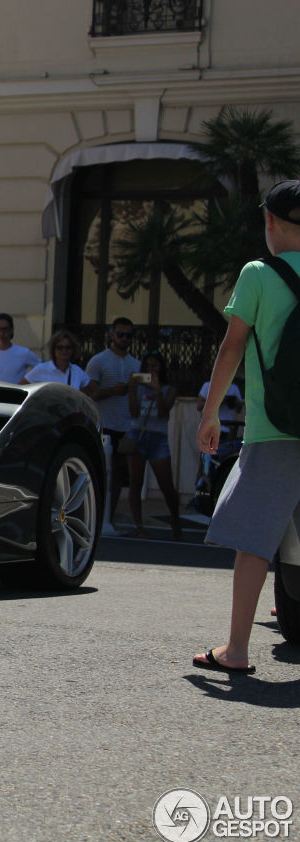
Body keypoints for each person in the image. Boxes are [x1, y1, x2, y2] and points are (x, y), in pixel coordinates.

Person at [193, 178, 300, 675]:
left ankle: (236, 649)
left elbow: (232, 347)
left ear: (270, 222)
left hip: (275, 427)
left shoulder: (259, 273)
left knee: (255, 538)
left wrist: (212, 412)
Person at [87, 316, 142, 521]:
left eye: (128, 335)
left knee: (119, 475)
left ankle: (108, 517)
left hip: (126, 426)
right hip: (104, 425)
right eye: (120, 334)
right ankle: (95, 515)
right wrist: (113, 390)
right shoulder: (98, 361)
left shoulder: (136, 364)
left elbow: (139, 397)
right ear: (112, 335)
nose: (124, 339)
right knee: (101, 473)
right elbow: (90, 394)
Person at [124, 350, 181, 540]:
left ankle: (176, 522)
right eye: (147, 367)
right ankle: (139, 525)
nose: (151, 370)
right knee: (135, 483)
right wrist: (132, 389)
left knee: (166, 485)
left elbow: (164, 413)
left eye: (154, 366)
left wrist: (157, 390)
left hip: (158, 438)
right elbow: (133, 412)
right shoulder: (138, 388)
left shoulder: (168, 389)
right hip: (137, 436)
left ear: (161, 368)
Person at [19, 329, 98, 393]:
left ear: (73, 350)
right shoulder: (42, 369)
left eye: (68, 347)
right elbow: (21, 387)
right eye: (60, 347)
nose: (64, 351)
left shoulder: (77, 371)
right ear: (53, 349)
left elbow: (94, 390)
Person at [0, 313, 38, 383]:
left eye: (5, 329)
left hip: (16, 393)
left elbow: (41, 369)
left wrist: (27, 381)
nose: (2, 333)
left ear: (11, 330)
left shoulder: (24, 353)